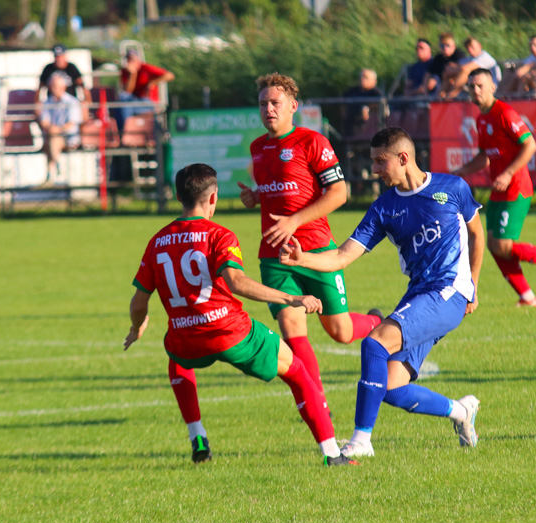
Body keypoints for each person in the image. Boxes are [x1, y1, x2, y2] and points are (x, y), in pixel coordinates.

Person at [124, 163, 356, 467]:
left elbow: (139, 302)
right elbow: (237, 282)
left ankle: (198, 437)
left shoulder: (157, 241)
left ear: (179, 196)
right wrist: (292, 298)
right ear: (213, 199)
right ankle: (332, 453)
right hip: (230, 333)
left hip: (186, 337)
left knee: (176, 355)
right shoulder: (220, 235)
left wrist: (137, 327)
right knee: (297, 371)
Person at [279, 127, 484, 458]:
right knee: (390, 387)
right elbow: (343, 255)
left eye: (379, 161)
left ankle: (361, 440)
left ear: (403, 158)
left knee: (374, 343)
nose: (374, 169)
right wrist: (302, 258)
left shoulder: (452, 188)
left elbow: (477, 233)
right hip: (419, 294)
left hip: (449, 293)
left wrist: (472, 285)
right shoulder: (384, 207)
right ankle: (461, 412)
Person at [238, 73, 383, 409]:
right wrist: (257, 197)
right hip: (275, 255)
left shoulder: (311, 141)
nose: (268, 109)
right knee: (292, 326)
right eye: (263, 104)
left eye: (275, 103)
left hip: (317, 250)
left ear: (293, 106)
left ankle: (377, 321)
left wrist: (295, 221)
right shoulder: (258, 147)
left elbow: (339, 193)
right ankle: (319, 403)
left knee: (341, 332)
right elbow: (285, 191)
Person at [453, 69, 536, 307]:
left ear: (492, 87)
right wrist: (462, 171)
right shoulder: (481, 119)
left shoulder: (505, 113)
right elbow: (485, 156)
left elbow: (530, 145)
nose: (475, 90)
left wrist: (509, 172)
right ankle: (527, 297)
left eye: (480, 85)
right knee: (493, 245)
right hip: (499, 189)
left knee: (502, 245)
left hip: (516, 187)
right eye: (471, 86)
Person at [39, 73, 83, 186]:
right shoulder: (47, 102)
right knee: (52, 140)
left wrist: (55, 130)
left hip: (70, 138)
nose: (54, 89)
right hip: (53, 137)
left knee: (52, 140)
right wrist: (51, 129)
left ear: (63, 87)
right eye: (52, 86)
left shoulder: (72, 102)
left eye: (56, 86)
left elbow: (71, 124)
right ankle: (56, 168)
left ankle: (52, 173)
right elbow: (44, 122)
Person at [115, 48, 174, 130]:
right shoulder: (125, 71)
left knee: (124, 106)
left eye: (132, 59)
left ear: (138, 60)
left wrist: (153, 82)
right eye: (128, 59)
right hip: (133, 102)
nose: (130, 62)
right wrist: (133, 74)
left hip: (148, 102)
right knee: (121, 102)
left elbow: (169, 75)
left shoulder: (146, 68)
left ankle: (124, 132)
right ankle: (124, 133)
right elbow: (128, 91)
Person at [342, 69, 383, 138]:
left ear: (374, 81)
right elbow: (342, 103)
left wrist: (367, 109)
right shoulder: (352, 91)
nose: (362, 79)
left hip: (370, 129)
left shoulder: (376, 94)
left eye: (365, 77)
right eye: (361, 77)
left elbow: (379, 105)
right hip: (351, 127)